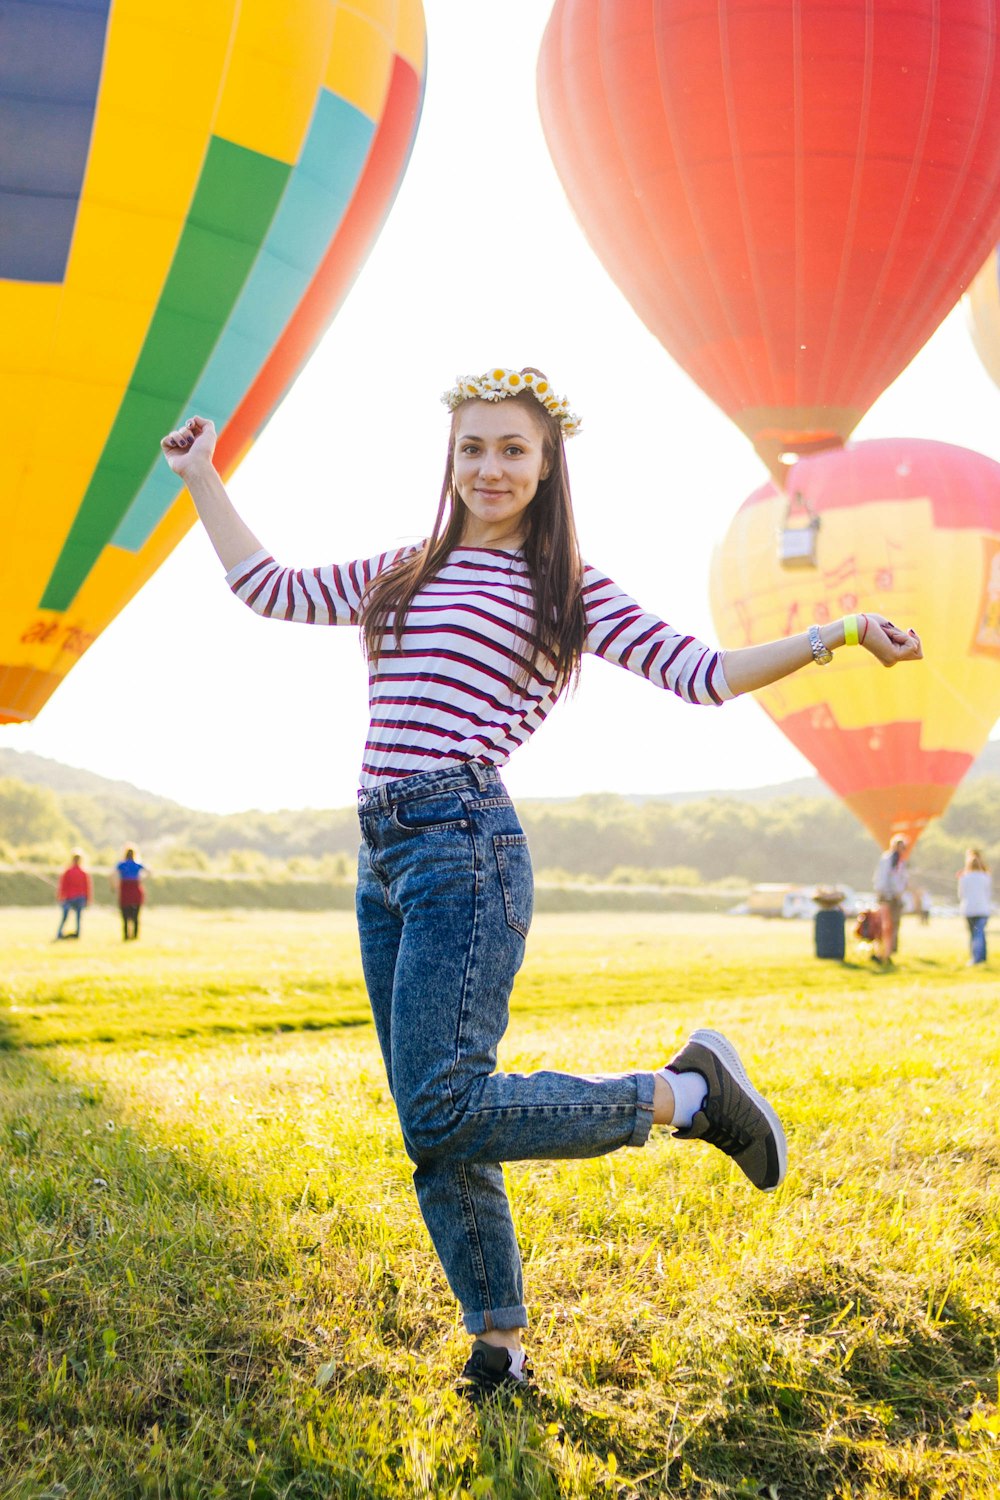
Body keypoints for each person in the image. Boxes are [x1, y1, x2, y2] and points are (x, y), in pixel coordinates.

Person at [160, 367, 923, 1398]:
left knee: (438, 1107)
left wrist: (835, 631)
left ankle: (687, 1095)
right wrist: (203, 476)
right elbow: (269, 588)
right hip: (382, 855)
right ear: (451, 459)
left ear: (547, 462)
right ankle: (501, 1350)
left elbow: (701, 673)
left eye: (511, 449)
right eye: (472, 448)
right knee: (440, 1122)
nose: (488, 467)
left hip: (464, 844)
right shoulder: (405, 569)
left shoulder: (565, 586)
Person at [873, 834, 909, 963]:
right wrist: (891, 893)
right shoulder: (891, 859)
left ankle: (887, 951)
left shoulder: (895, 860)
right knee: (887, 925)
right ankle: (884, 952)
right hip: (889, 896)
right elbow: (887, 879)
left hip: (891, 896)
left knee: (890, 924)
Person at [958, 849, 991, 965]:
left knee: (974, 934)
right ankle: (981, 957)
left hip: (969, 909)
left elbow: (961, 894)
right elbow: (988, 893)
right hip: (983, 909)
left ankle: (976, 958)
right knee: (980, 933)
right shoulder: (986, 877)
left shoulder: (964, 878)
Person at [55, 849, 92, 940]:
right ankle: (77, 933)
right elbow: (87, 887)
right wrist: (88, 899)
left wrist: (60, 896)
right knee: (78, 917)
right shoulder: (83, 872)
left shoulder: (69, 871)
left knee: (66, 916)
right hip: (78, 897)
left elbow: (63, 885)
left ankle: (60, 932)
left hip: (70, 897)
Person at [112, 846, 147, 940]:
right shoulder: (137, 864)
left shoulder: (121, 864)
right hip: (136, 890)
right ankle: (135, 936)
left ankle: (126, 936)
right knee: (136, 916)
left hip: (125, 891)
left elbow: (112, 874)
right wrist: (141, 879)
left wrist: (114, 886)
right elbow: (149, 871)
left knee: (125, 915)